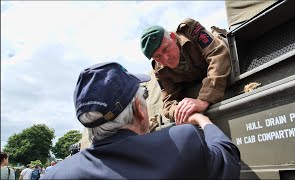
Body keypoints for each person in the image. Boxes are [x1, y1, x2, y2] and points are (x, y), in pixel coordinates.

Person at [40, 62, 240, 179]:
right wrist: (202, 120)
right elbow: (228, 158)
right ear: (139, 109)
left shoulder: (55, 175)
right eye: (143, 95)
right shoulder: (182, 142)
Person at [140, 18, 231, 125]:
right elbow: (168, 102)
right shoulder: (160, 70)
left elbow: (218, 55)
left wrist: (203, 99)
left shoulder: (190, 30)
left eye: (165, 49)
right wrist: (179, 111)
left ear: (173, 38)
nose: (166, 58)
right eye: (158, 56)